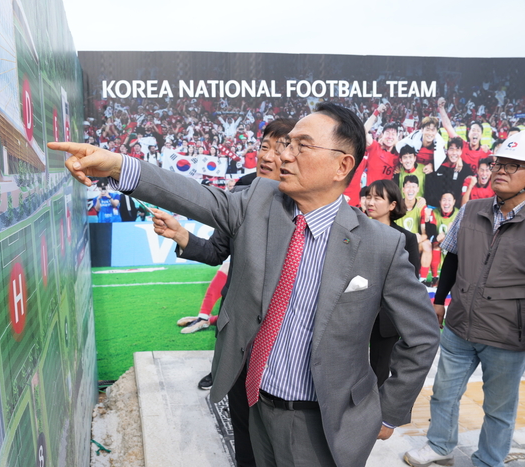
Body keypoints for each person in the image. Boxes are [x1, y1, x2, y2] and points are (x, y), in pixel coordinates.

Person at [51, 102, 440, 467]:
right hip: (256, 406)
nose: (284, 156)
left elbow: (421, 336)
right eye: (286, 145)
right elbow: (195, 196)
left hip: (325, 424)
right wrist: (118, 165)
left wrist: (389, 409)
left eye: (302, 146)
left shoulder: (380, 246)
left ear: (342, 165)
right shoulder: (258, 199)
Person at [154, 118, 297, 467]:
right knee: (245, 435)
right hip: (242, 340)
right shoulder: (242, 192)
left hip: (288, 345)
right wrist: (180, 236)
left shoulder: (308, 202)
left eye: (280, 148)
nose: (268, 154)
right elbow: (217, 251)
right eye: (264, 145)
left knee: (285, 442)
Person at [403, 131, 525, 467]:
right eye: (500, 163)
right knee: (444, 392)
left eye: (513, 166)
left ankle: (489, 459)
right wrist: (440, 300)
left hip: (506, 335)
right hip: (459, 325)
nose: (501, 170)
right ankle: (440, 445)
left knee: (499, 408)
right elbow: (452, 257)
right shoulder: (471, 210)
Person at [364, 179, 420, 386]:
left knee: (379, 372)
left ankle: (375, 416)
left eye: (377, 198)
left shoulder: (406, 239)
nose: (370, 202)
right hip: (354, 313)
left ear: (392, 205)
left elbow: (410, 281)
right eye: (368, 196)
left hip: (386, 318)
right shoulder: (354, 232)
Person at [437, 97, 492, 174]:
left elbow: (495, 166)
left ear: (481, 135)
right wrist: (441, 108)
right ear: (469, 134)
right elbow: (448, 126)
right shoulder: (462, 144)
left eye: (478, 131)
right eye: (473, 130)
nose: (475, 132)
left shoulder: (486, 152)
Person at [424, 137, 474, 209]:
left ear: (461, 152)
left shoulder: (465, 169)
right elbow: (429, 192)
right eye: (451, 149)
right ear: (447, 151)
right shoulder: (437, 165)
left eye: (457, 149)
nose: (454, 153)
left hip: (455, 209)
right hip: (435, 208)